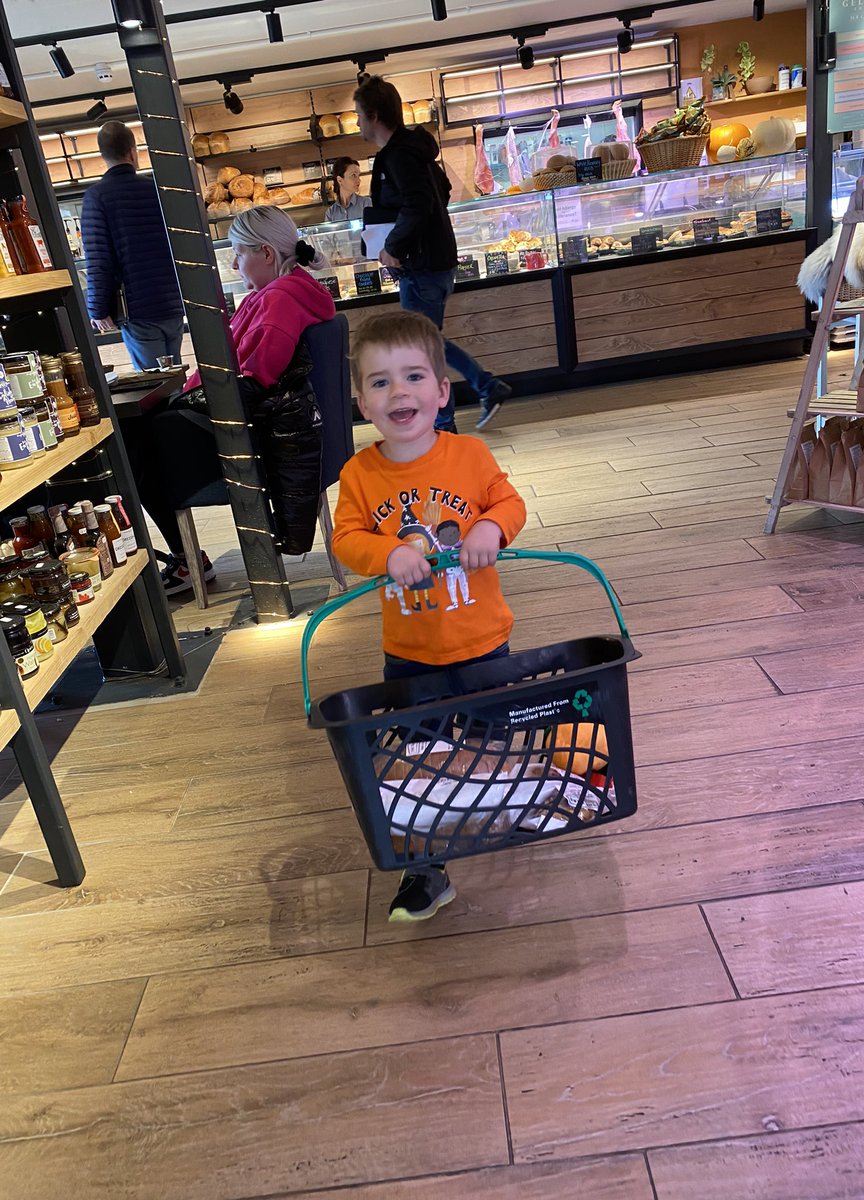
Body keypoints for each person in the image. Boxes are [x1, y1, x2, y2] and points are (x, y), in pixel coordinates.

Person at [332, 309, 526, 922]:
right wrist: (387, 553)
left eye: (413, 376)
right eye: (381, 381)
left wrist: (491, 528)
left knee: (489, 745)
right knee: (421, 763)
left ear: (442, 391)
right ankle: (427, 866)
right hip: (410, 653)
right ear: (362, 402)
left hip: (483, 639)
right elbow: (346, 538)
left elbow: (509, 502)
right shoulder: (359, 474)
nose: (399, 392)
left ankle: (498, 814)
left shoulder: (470, 455)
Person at [143, 205, 335, 595]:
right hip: (273, 427)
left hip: (251, 437)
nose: (233, 264)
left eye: (238, 253)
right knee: (144, 438)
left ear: (266, 252)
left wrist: (182, 399)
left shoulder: (278, 300)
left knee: (138, 448)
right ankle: (186, 560)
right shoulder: (292, 292)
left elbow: (253, 378)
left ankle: (185, 560)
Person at [353, 76, 511, 433]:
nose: (358, 122)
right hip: (433, 263)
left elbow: (419, 202)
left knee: (422, 347)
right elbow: (442, 190)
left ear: (374, 115)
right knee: (428, 342)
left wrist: (394, 246)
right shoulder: (414, 151)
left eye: (359, 115)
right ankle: (480, 393)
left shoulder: (398, 155)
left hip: (421, 267)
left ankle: (447, 423)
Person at [81, 120, 184, 372]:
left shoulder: (97, 197)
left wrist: (97, 309)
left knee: (154, 381)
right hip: (172, 302)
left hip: (138, 309)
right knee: (176, 375)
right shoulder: (157, 190)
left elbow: (98, 260)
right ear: (132, 151)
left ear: (102, 155)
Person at [324, 157, 372, 223]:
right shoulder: (330, 213)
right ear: (340, 180)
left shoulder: (367, 204)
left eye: (358, 175)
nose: (359, 180)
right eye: (353, 175)